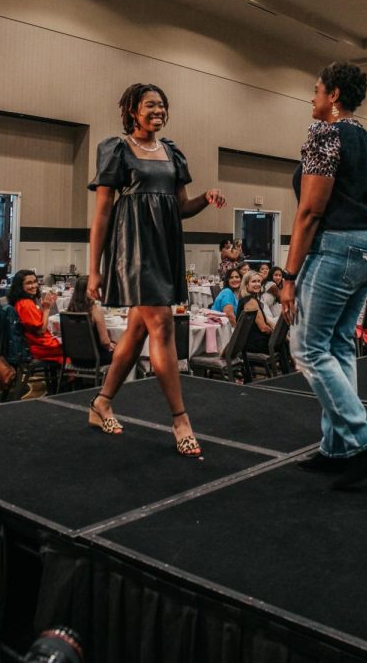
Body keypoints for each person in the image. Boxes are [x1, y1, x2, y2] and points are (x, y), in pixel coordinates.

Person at [87, 82, 225, 457]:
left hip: (164, 246)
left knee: (135, 330)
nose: (158, 111)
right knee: (161, 323)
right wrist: (94, 269)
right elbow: (101, 214)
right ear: (133, 110)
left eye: (162, 106)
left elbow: (180, 207)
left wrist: (205, 198)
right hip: (132, 249)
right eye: (150, 105)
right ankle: (180, 419)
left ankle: (101, 402)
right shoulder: (115, 149)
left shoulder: (172, 152)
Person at [280, 61, 367, 489]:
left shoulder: (324, 133)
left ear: (333, 97)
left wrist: (289, 276)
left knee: (307, 348)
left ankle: (365, 441)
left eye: (316, 90)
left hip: (339, 245)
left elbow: (310, 211)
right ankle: (337, 448)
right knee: (339, 342)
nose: (312, 97)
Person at [8, 271, 64, 363]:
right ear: (19, 286)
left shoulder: (24, 302)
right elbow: (40, 331)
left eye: (35, 282)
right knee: (77, 347)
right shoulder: (25, 304)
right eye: (29, 283)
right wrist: (46, 309)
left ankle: (70, 374)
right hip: (41, 347)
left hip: (38, 344)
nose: (34, 285)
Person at [67, 275, 115, 366]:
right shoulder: (95, 311)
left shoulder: (70, 310)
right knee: (127, 352)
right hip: (95, 358)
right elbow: (104, 342)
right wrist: (111, 344)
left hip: (74, 359)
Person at [236, 270, 273, 353]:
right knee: (283, 342)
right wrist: (276, 334)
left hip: (252, 341)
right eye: (253, 282)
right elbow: (263, 328)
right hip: (254, 344)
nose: (257, 284)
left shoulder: (251, 299)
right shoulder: (251, 302)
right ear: (246, 285)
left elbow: (266, 321)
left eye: (259, 281)